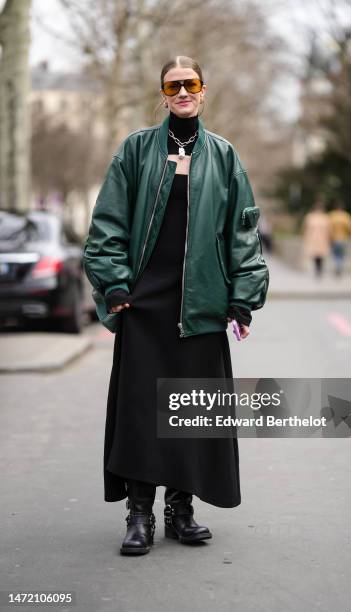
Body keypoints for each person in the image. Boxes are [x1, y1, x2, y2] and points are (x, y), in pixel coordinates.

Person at [83, 55, 269, 556]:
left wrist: (242, 300)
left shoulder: (225, 156)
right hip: (145, 306)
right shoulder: (136, 150)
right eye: (174, 85)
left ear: (204, 91)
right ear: (163, 94)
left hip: (202, 305)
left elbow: (243, 233)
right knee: (144, 413)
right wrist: (115, 285)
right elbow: (107, 224)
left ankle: (180, 511)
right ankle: (139, 514)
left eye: (191, 83)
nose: (183, 91)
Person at [301, 199, 331, 278]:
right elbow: (305, 228)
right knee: (315, 255)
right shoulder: (311, 217)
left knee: (320, 255)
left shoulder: (325, 217)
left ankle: (319, 269)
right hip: (314, 239)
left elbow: (329, 230)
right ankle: (318, 269)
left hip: (321, 239)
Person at [328, 198, 351, 277]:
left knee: (335, 254)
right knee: (341, 255)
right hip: (343, 238)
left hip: (334, 239)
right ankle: (339, 266)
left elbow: (328, 228)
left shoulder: (331, 216)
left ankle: (337, 266)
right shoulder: (346, 216)